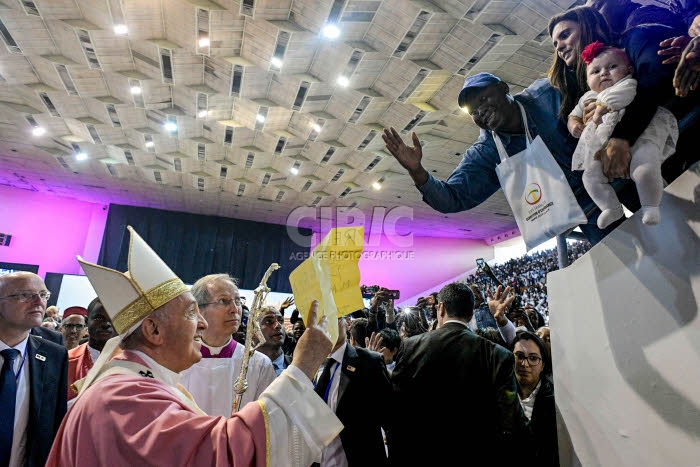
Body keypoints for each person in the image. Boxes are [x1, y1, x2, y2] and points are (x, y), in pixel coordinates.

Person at [47, 226, 343, 466]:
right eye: (191, 313)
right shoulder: (124, 398)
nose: (201, 323)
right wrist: (304, 366)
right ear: (152, 329)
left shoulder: (137, 384)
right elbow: (223, 453)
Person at [382, 69, 639, 246]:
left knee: (666, 222)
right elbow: (453, 198)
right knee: (633, 265)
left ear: (504, 89)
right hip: (591, 210)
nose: (481, 110)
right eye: (473, 110)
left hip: (621, 174)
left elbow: (599, 89)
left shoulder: (547, 94)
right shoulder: (486, 152)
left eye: (484, 98)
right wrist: (417, 171)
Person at [387, 282, 531, 465]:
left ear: (441, 308)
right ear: (471, 314)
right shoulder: (497, 355)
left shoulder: (410, 347)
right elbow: (510, 421)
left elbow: (397, 413)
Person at [569, 41, 679, 228]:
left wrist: (600, 109)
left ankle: (650, 206)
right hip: (603, 145)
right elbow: (574, 114)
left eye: (612, 67)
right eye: (595, 71)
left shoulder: (627, 83)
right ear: (587, 80)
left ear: (628, 69)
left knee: (643, 168)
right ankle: (611, 207)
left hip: (641, 135)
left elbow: (621, 97)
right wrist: (575, 125)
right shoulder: (587, 97)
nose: (604, 73)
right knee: (590, 177)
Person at [180, 274, 276, 416]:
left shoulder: (258, 363)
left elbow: (267, 420)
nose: (235, 309)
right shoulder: (177, 361)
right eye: (223, 301)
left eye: (237, 301)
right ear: (199, 310)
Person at [0, 272, 68, 467]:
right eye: (25, 295)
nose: (39, 302)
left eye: (43, 294)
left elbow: (55, 423)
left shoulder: (55, 355)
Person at [314, 315, 393, 466]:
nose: (328, 324)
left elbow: (390, 417)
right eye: (322, 319)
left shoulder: (369, 361)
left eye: (334, 318)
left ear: (347, 323)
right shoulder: (313, 364)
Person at [512, 331, 558, 466]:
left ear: (543, 365)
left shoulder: (556, 400)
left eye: (533, 358)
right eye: (519, 356)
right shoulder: (498, 393)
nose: (524, 364)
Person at [67, 297, 117, 401]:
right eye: (99, 318)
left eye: (112, 318)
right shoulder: (66, 360)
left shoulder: (132, 363)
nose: (106, 324)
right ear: (86, 321)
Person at [255, 305, 292, 376]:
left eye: (281, 321)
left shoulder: (299, 368)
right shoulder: (239, 367)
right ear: (253, 331)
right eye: (268, 321)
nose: (278, 325)